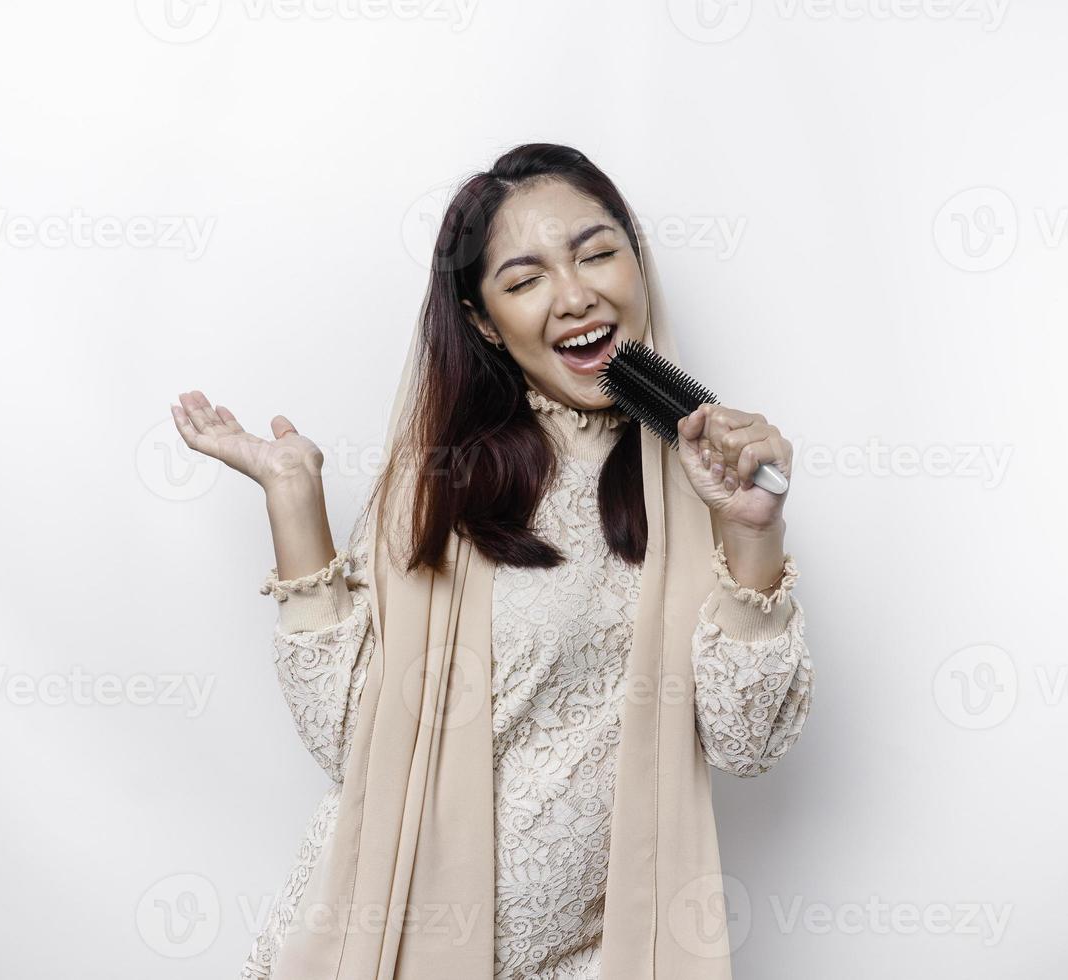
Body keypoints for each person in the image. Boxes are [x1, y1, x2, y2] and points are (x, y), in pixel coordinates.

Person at [171, 142, 815, 980]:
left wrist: (752, 529)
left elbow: (747, 742)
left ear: (637, 262)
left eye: (596, 254)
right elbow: (349, 743)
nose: (575, 294)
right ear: (484, 321)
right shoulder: (443, 479)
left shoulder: (707, 476)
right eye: (525, 279)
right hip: (387, 946)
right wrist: (294, 502)